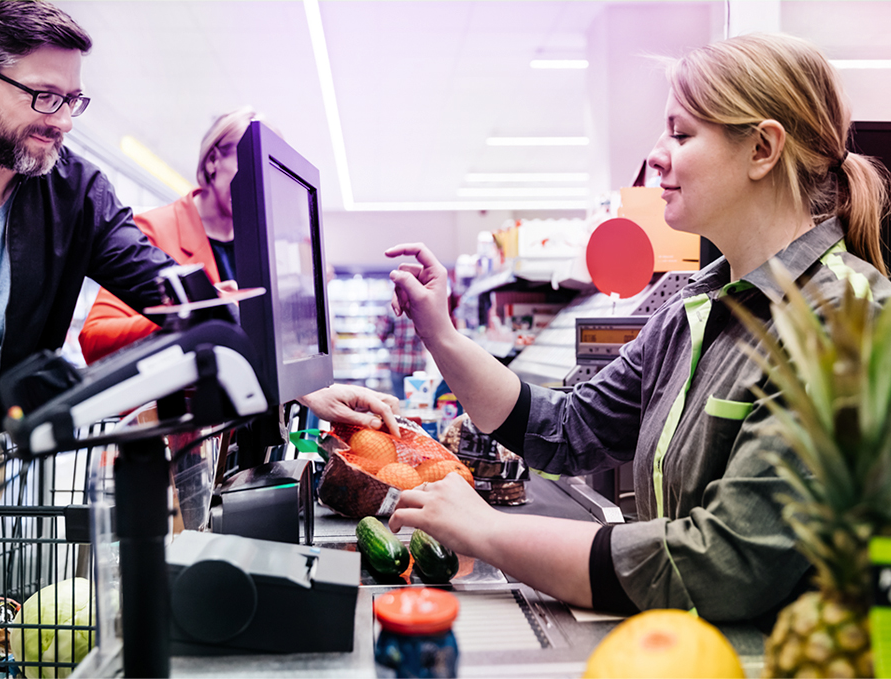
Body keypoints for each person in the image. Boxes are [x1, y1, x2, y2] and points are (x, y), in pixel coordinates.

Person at [384, 33, 891, 624]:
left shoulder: (846, 324)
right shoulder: (694, 309)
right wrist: (440, 332)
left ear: (761, 149)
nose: (655, 155)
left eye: (681, 133)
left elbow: (723, 565)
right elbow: (568, 428)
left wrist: (489, 532)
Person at [0, 0, 180, 488]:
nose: (64, 121)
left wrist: (290, 376)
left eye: (72, 99)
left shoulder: (76, 193)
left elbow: (170, 289)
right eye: (44, 95)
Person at [79, 107, 401, 436]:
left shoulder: (269, 245)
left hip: (246, 434)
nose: (258, 185)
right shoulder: (154, 231)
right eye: (247, 164)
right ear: (212, 161)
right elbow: (95, 341)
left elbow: (279, 348)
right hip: (173, 438)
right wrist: (203, 313)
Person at [375, 306, 426, 400]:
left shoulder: (393, 309)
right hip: (417, 363)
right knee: (417, 401)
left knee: (400, 401)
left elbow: (381, 333)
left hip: (398, 362)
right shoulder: (422, 308)